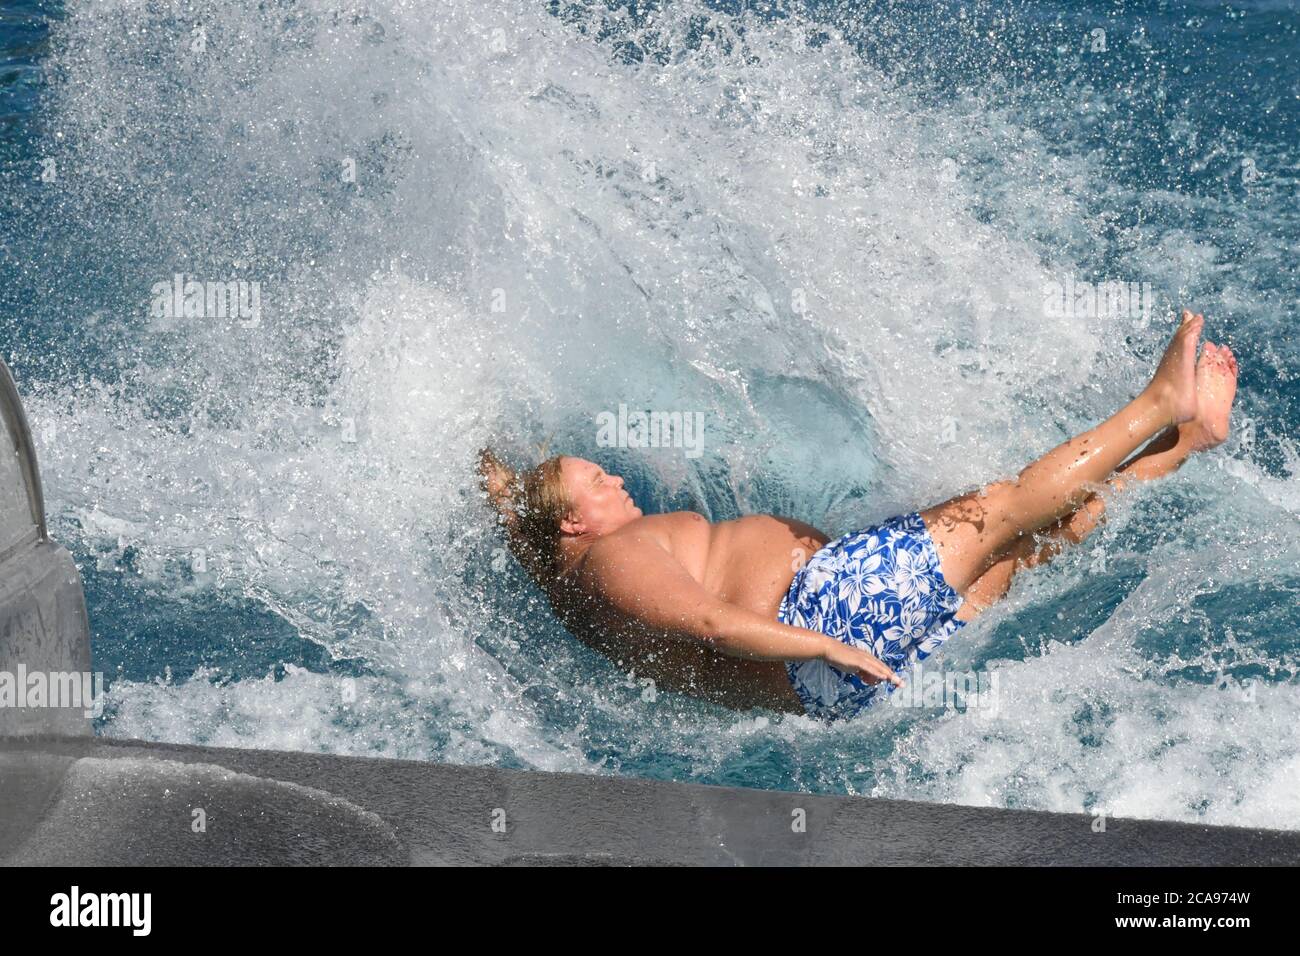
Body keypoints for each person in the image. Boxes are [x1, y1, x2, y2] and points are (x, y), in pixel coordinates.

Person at [479, 311, 1237, 721]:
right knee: (1002, 510)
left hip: (836, 685)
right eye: (594, 481)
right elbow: (709, 623)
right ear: (573, 523)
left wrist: (474, 448)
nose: (613, 477)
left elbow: (517, 514)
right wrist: (826, 644)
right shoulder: (612, 561)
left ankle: (1186, 443)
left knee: (1021, 549)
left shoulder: (562, 580)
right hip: (830, 621)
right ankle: (1158, 407)